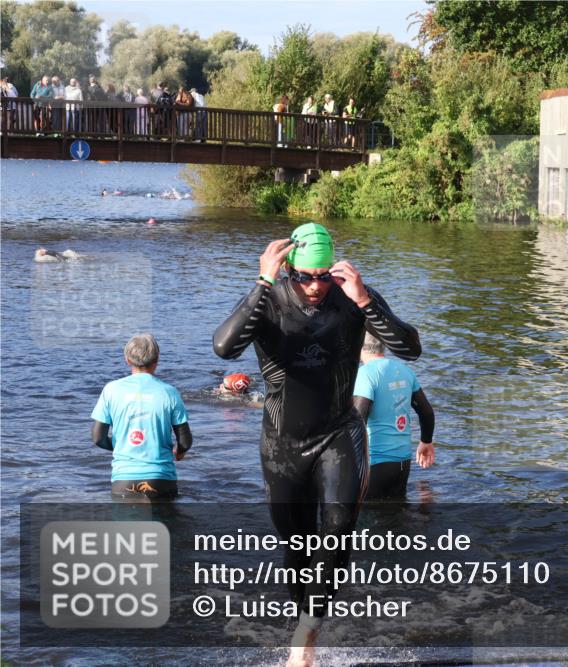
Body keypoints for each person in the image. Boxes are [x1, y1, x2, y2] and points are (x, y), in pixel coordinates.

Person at [213, 222, 420, 666]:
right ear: (288, 269)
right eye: (304, 276)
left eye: (324, 276)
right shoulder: (269, 298)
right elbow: (224, 348)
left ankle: (306, 633)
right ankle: (305, 612)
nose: (314, 286)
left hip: (338, 431)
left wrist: (364, 299)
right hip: (282, 442)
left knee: (338, 528)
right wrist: (263, 281)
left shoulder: (352, 298)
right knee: (298, 545)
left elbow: (411, 347)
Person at [91, 334, 193, 502]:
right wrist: (180, 452)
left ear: (127, 359)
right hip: (161, 480)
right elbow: (185, 440)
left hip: (123, 480)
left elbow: (97, 438)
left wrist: (122, 446)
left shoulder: (111, 390)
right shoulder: (170, 392)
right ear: (157, 359)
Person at [353, 333, 435, 499]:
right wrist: (426, 442)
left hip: (374, 463)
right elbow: (426, 412)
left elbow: (358, 420)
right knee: (397, 512)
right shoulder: (405, 371)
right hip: (403, 462)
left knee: (369, 517)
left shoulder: (365, 375)